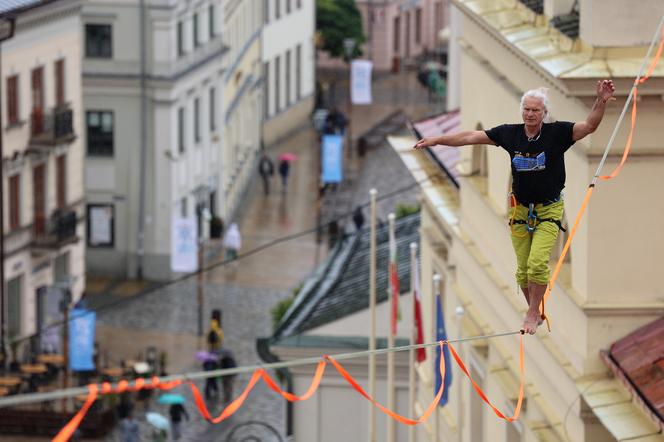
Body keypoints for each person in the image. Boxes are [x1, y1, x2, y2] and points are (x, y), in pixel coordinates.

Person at [414, 80, 615, 335]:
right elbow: (470, 137)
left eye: (536, 111)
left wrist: (601, 100)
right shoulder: (511, 134)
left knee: (537, 263)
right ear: (522, 111)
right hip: (520, 210)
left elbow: (589, 126)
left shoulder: (557, 134)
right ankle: (534, 310)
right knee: (522, 272)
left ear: (544, 113)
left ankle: (532, 313)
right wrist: (436, 140)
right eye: (527, 110)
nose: (530, 115)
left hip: (548, 210)